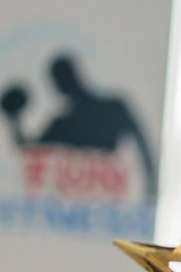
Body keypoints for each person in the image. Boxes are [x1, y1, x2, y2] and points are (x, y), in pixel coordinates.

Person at [0, 53, 156, 196]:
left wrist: (152, 186)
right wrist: (13, 119)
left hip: (114, 200)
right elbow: (29, 150)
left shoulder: (113, 107)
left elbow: (143, 145)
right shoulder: (62, 124)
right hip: (79, 205)